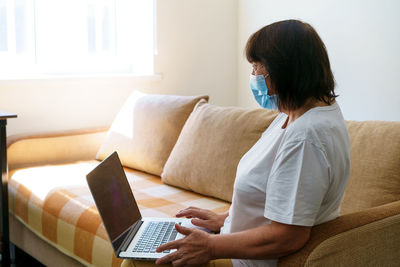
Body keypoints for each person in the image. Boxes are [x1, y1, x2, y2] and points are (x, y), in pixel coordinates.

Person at [123, 19, 350, 267]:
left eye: (256, 67)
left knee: (137, 262)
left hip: (249, 262)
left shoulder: (306, 137)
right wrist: (226, 220)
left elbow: (288, 235)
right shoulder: (295, 115)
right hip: (238, 244)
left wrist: (209, 246)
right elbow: (280, 201)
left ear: (283, 70)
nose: (253, 76)